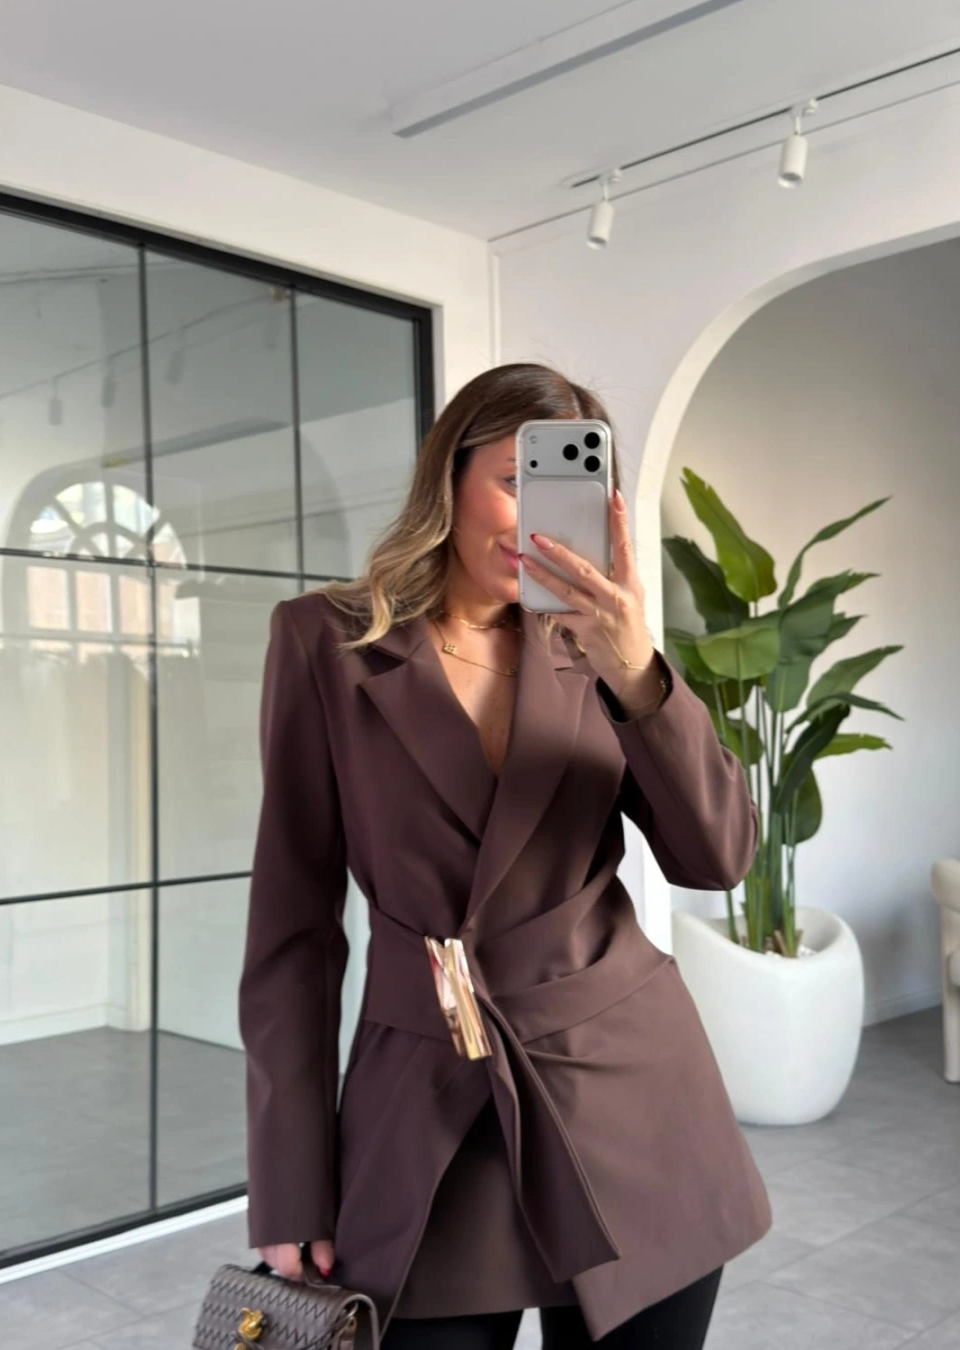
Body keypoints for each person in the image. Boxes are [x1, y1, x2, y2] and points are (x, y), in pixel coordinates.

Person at [238, 363, 772, 1349]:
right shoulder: (326, 642)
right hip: (427, 1107)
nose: (537, 519)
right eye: (516, 481)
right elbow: (292, 934)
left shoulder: (604, 650)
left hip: (627, 1097)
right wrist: (289, 1180)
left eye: (568, 487)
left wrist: (637, 673)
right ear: (448, 479)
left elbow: (719, 858)